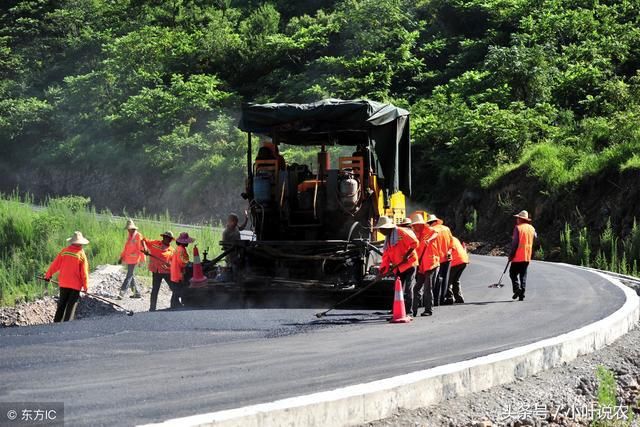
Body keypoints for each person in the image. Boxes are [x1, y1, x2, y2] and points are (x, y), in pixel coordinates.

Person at [375, 216, 419, 316]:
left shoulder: (401, 232)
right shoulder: (388, 240)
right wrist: (381, 273)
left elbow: (415, 242)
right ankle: (397, 308)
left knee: (408, 288)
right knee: (398, 289)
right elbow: (385, 258)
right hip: (398, 267)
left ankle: (409, 311)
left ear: (387, 228)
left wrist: (407, 255)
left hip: (409, 264)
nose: (380, 231)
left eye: (381, 229)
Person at [44, 231, 90, 322]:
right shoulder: (81, 254)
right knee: (71, 306)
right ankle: (66, 327)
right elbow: (84, 272)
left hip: (63, 283)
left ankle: (55, 324)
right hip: (75, 286)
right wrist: (85, 286)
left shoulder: (64, 251)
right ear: (81, 243)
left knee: (61, 304)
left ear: (72, 242)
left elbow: (55, 264)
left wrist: (48, 275)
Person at [410, 213, 440, 317]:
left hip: (431, 264)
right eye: (413, 225)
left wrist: (429, 240)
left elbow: (436, 233)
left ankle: (428, 309)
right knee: (416, 288)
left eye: (415, 225)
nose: (414, 227)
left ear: (421, 224)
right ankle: (412, 310)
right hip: (422, 266)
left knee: (428, 287)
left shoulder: (429, 230)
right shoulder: (416, 234)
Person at [143, 231, 175, 311]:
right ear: (163, 237)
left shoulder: (171, 250)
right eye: (165, 237)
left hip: (167, 272)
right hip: (156, 271)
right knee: (155, 290)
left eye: (168, 238)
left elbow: (173, 263)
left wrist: (170, 265)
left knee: (174, 288)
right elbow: (143, 240)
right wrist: (145, 249)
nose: (166, 239)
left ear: (171, 240)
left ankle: (174, 305)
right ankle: (152, 308)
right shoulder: (155, 243)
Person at [426, 214, 454, 306]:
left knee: (437, 279)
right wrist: (449, 252)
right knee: (445, 279)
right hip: (447, 257)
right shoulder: (446, 229)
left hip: (437, 259)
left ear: (430, 223)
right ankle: (442, 299)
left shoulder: (431, 230)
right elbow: (452, 244)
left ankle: (436, 300)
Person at [509, 210, 537, 301]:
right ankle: (522, 294)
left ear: (521, 219)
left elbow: (515, 243)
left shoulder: (518, 228)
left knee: (512, 273)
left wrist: (511, 255)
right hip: (527, 256)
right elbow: (535, 237)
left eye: (518, 218)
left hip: (517, 256)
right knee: (523, 275)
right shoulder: (532, 228)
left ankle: (517, 289)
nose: (517, 219)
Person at [118, 219, 145, 299]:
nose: (128, 231)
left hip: (134, 259)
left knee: (129, 276)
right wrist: (121, 257)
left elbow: (141, 248)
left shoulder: (138, 235)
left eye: (129, 229)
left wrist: (142, 260)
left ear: (133, 228)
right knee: (131, 276)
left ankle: (122, 292)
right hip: (128, 259)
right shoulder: (129, 236)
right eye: (128, 229)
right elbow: (126, 248)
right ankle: (137, 293)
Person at [170, 232, 195, 308]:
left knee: (176, 290)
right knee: (177, 290)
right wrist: (189, 263)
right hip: (178, 272)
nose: (187, 243)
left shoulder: (179, 248)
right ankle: (174, 305)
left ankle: (175, 304)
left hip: (175, 271)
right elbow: (182, 261)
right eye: (186, 242)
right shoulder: (181, 249)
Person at [448, 236, 469, 304]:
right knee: (456, 279)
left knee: (449, 280)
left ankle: (450, 298)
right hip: (464, 260)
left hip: (456, 261)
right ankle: (459, 298)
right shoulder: (455, 238)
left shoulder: (448, 239)